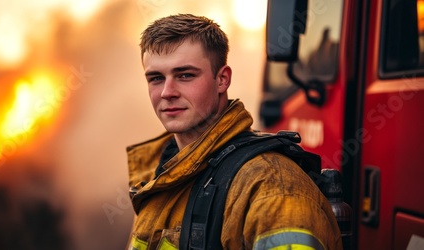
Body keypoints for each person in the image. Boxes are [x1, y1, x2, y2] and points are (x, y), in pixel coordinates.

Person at [126, 13, 342, 250]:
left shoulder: (273, 185)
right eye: (156, 78)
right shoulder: (160, 177)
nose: (167, 92)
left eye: (185, 75)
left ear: (222, 80)